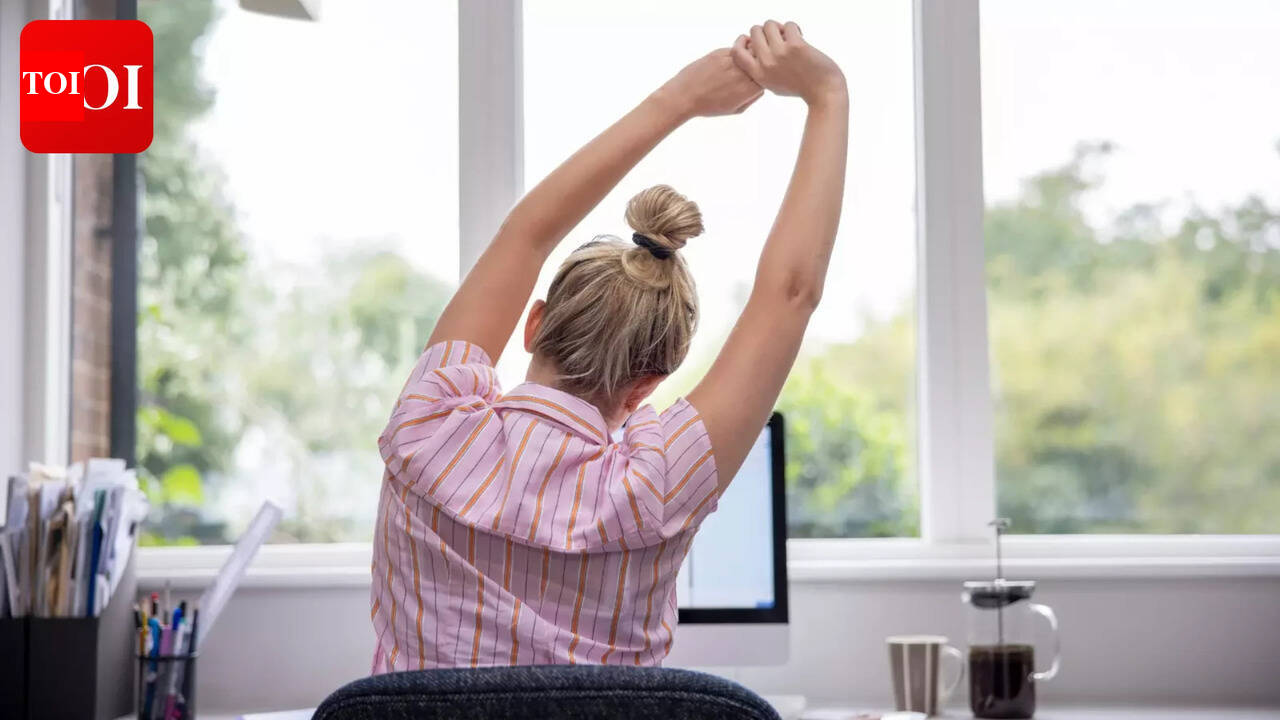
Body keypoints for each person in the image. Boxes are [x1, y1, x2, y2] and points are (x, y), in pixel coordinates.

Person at [370, 20, 848, 672]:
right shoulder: (657, 483)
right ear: (650, 381)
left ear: (533, 322)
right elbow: (789, 296)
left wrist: (680, 99)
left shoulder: (431, 420)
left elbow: (525, 236)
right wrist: (828, 95)